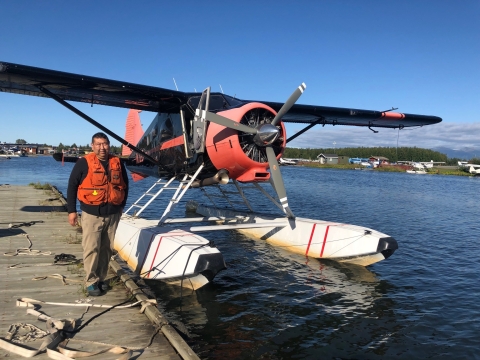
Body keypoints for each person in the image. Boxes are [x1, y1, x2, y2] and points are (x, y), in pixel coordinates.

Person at [67, 132, 128, 296]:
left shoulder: (117, 162)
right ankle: (91, 281)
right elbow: (72, 186)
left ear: (109, 145)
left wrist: (121, 205)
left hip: (113, 214)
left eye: (105, 144)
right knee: (91, 248)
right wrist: (71, 211)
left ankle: (101, 278)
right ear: (92, 146)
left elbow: (125, 185)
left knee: (107, 248)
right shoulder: (84, 163)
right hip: (92, 214)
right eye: (98, 144)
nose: (102, 147)